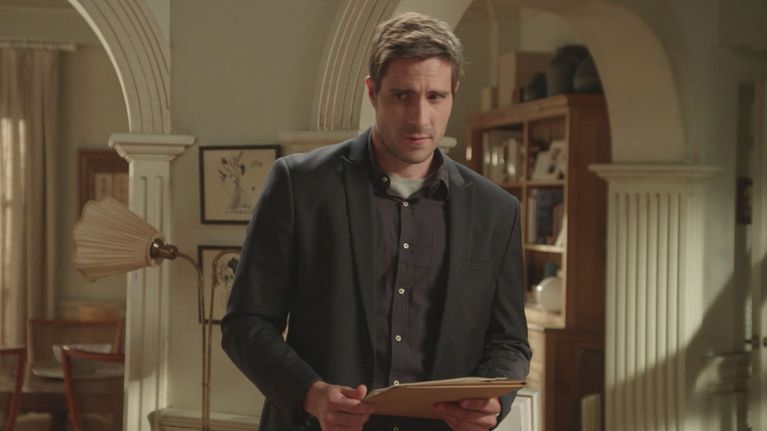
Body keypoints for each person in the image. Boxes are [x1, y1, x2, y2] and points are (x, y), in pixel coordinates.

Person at [222, 12, 531, 431]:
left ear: (454, 93)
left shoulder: (496, 210)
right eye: (402, 96)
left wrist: (493, 401)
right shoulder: (300, 185)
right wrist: (311, 394)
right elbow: (246, 323)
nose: (420, 118)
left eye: (435, 97)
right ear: (372, 92)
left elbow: (509, 342)